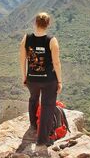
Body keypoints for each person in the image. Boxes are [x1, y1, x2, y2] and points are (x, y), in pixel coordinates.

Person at [19, 12, 63, 147]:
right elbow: (56, 63)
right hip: (49, 80)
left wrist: (24, 75)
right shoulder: (52, 40)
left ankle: (33, 126)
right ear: (48, 24)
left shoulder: (26, 39)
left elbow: (22, 59)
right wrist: (60, 81)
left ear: (35, 23)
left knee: (33, 99)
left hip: (32, 78)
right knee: (47, 106)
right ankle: (42, 139)